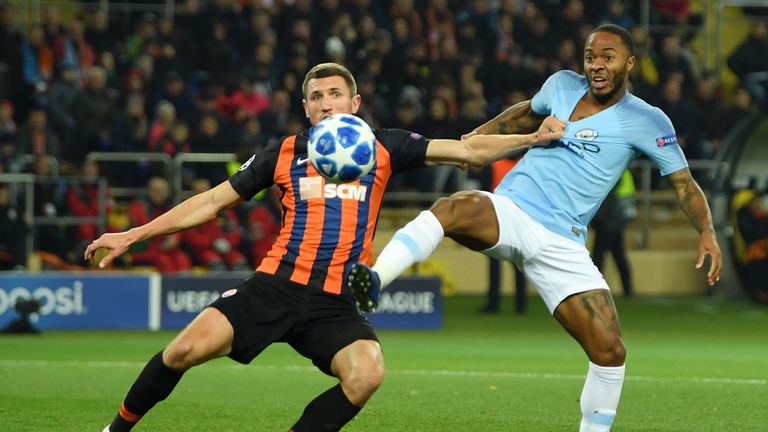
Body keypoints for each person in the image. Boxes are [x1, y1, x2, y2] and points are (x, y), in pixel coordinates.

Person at [86, 62, 564, 432]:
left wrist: (535, 139)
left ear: (354, 102)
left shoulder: (384, 146)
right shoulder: (283, 151)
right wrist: (132, 234)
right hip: (274, 286)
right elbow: (213, 202)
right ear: (307, 109)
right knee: (182, 351)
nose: (326, 103)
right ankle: (115, 428)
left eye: (335, 94)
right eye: (316, 97)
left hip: (333, 302)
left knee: (366, 373)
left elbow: (466, 150)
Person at [347, 25, 723, 432]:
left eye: (608, 57)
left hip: (564, 243)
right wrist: (475, 139)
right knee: (454, 208)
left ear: (630, 63)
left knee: (610, 352)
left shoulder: (647, 120)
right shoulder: (561, 85)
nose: (597, 65)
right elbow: (523, 114)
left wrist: (707, 231)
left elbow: (684, 184)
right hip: (513, 212)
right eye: (590, 57)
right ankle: (375, 281)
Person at [591, 169, 636, 297]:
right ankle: (628, 291)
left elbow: (608, 197)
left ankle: (595, 289)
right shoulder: (624, 171)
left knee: (598, 258)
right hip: (618, 220)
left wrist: (595, 219)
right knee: (619, 257)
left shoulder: (614, 170)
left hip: (607, 222)